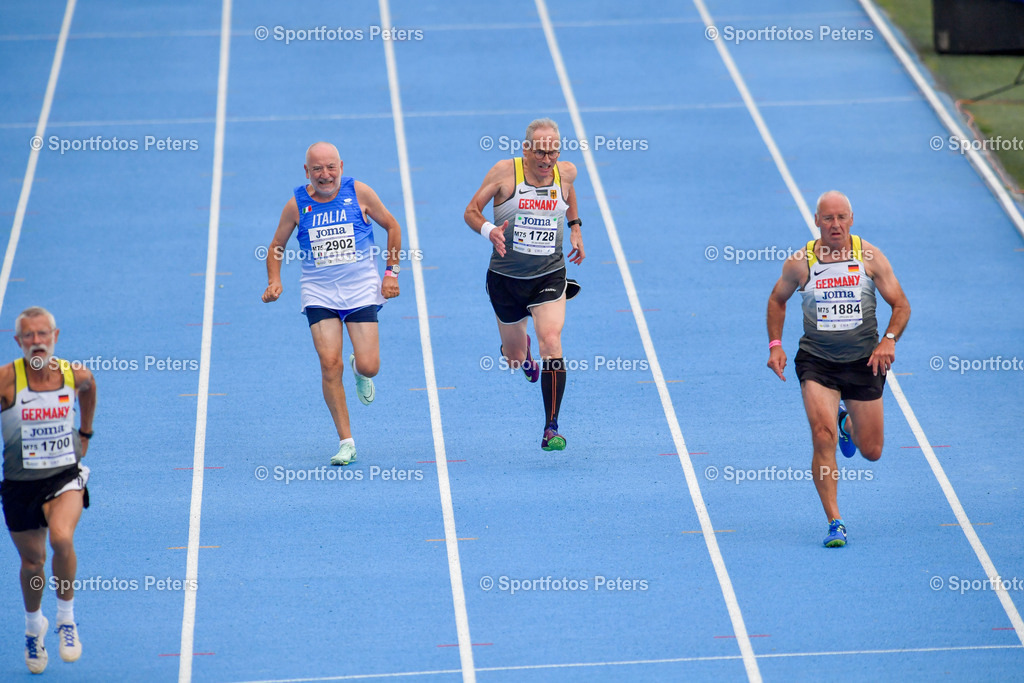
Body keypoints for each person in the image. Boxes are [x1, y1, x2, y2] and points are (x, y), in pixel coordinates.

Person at [766, 191, 910, 547]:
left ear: (851, 219)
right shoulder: (801, 262)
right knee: (821, 435)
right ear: (816, 221)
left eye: (841, 217)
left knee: (872, 450)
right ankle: (835, 521)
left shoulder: (870, 257)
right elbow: (776, 300)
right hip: (817, 361)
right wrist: (775, 345)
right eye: (827, 218)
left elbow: (901, 304)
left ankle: (847, 422)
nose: (835, 225)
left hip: (864, 362)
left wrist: (889, 339)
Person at [262, 142, 402, 466]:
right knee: (328, 363)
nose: (325, 175)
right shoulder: (296, 205)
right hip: (319, 292)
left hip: (360, 291)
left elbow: (392, 226)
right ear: (307, 172)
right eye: (317, 170)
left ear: (340, 165)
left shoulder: (360, 193)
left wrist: (391, 273)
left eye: (330, 168)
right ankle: (346, 441)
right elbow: (276, 245)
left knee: (370, 366)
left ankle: (359, 370)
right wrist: (274, 280)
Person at [464, 118, 585, 450]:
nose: (547, 160)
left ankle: (551, 428)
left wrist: (575, 227)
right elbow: (471, 211)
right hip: (506, 279)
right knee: (516, 358)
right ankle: (522, 354)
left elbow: (568, 191)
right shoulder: (505, 172)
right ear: (526, 149)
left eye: (553, 153)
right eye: (541, 153)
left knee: (552, 342)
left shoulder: (566, 172)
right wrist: (490, 230)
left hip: (549, 274)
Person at [0, 306, 95, 672]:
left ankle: (66, 619)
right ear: (18, 341)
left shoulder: (74, 375)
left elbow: (90, 388)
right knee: (33, 563)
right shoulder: (8, 381)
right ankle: (33, 624)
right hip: (20, 486)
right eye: (29, 336)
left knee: (61, 539)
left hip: (63, 478)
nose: (37, 342)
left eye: (43, 335)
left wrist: (85, 433)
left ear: (56, 337)